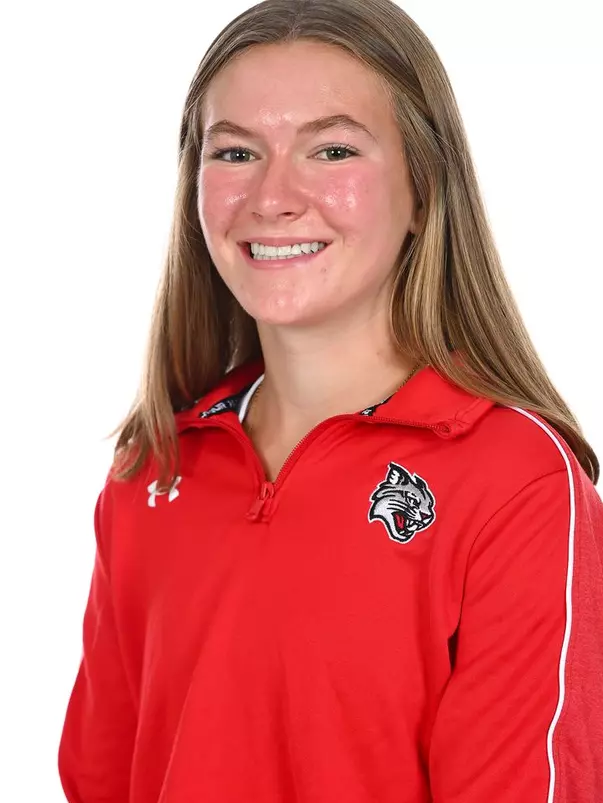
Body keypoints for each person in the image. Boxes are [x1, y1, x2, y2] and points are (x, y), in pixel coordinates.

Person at [57, 1, 603, 801]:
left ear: (423, 191)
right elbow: (99, 780)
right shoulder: (153, 468)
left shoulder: (515, 479)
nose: (272, 197)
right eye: (236, 152)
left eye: (333, 149)